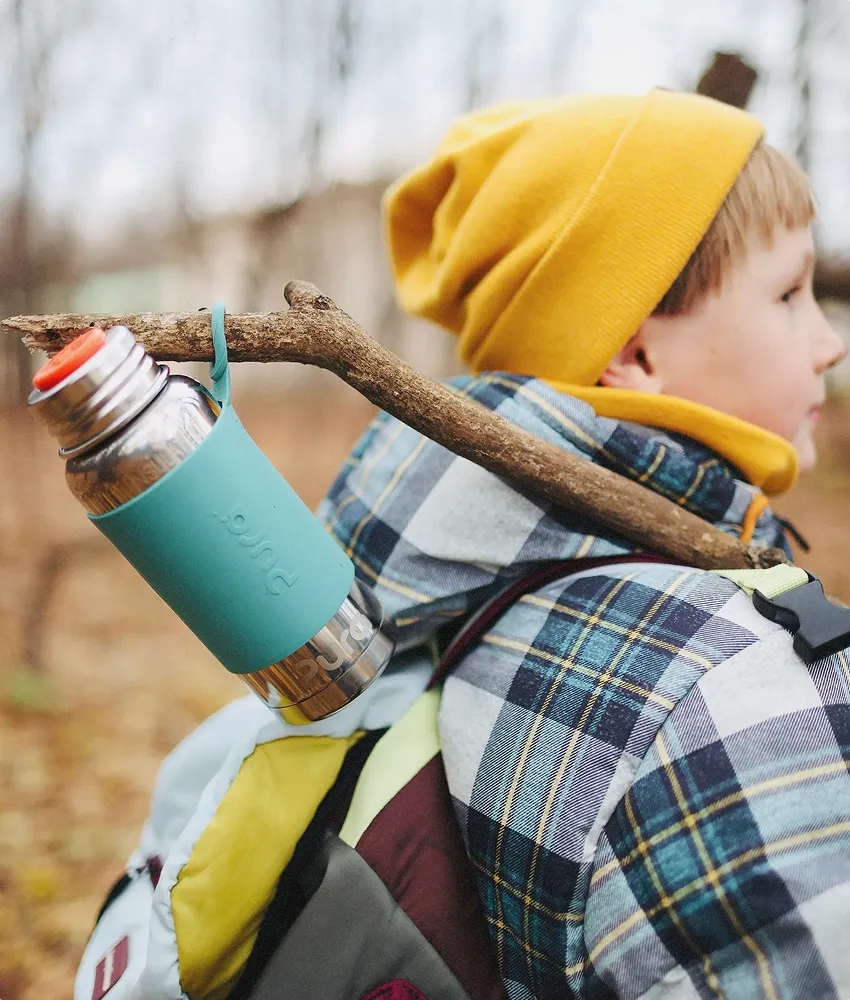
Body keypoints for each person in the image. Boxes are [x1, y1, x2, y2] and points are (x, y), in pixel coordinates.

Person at [76, 90, 850, 1000]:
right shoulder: (730, 679)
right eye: (790, 292)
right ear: (635, 352)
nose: (828, 342)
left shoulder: (454, 587)